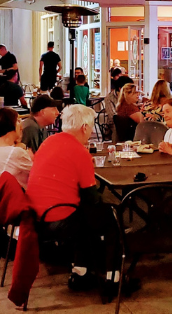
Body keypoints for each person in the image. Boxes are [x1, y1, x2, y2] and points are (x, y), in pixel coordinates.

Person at [26, 104, 119, 292]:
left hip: (37, 216)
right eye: (91, 126)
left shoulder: (48, 143)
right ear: (84, 127)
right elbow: (92, 197)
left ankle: (81, 272)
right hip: (60, 219)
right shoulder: (79, 152)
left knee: (88, 215)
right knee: (109, 216)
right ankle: (113, 278)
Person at [0, 108, 32, 190]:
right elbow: (39, 173)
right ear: (9, 124)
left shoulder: (13, 150)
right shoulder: (16, 153)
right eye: (18, 121)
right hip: (10, 200)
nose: (21, 127)